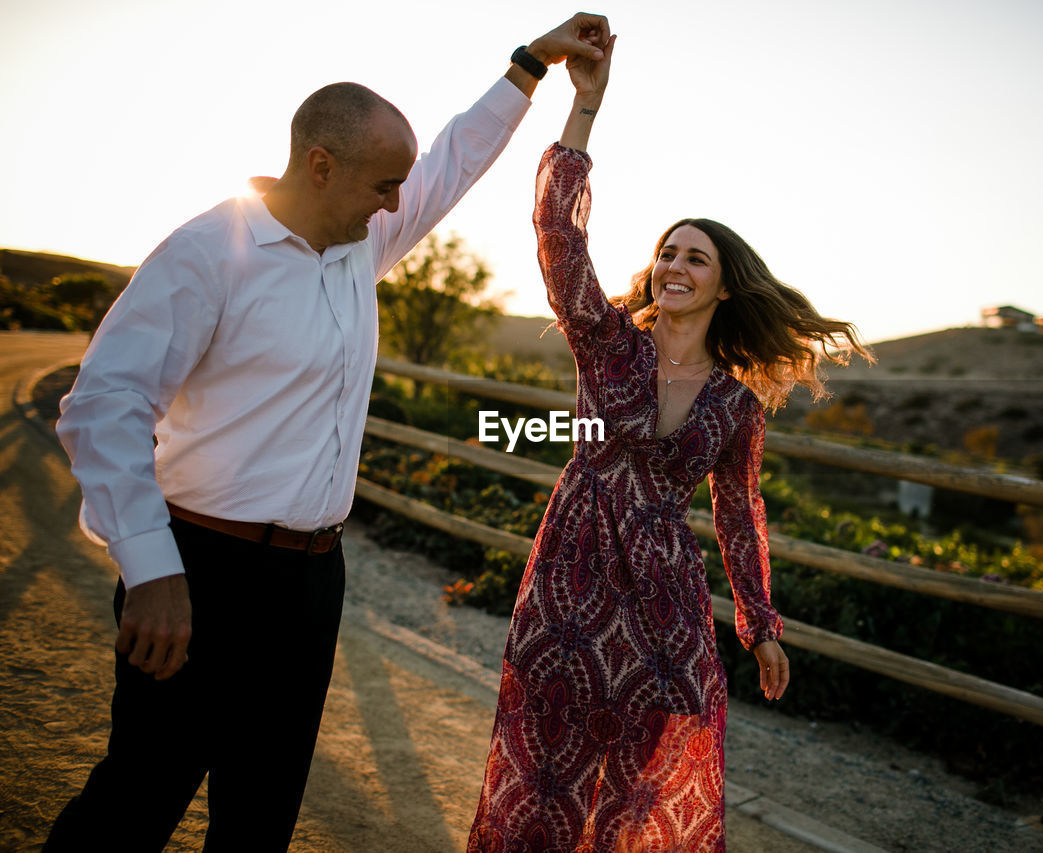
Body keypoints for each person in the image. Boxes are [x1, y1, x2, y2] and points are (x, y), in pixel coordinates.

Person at [45, 13, 611, 852]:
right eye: (384, 184)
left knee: (261, 815)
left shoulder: (358, 240)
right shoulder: (207, 253)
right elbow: (105, 405)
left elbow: (453, 161)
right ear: (320, 165)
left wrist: (531, 65)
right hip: (199, 568)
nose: (397, 204)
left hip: (311, 582)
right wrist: (152, 568)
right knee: (136, 801)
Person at [466, 33, 874, 853]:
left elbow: (736, 511)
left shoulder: (735, 400)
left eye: (695, 256)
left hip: (664, 598)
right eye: (666, 252)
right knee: (546, 772)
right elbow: (558, 230)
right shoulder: (607, 340)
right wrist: (586, 103)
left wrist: (759, 624)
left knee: (647, 771)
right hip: (571, 578)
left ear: (726, 283)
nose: (673, 264)